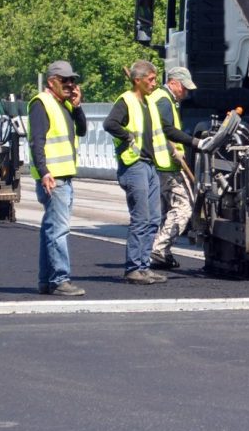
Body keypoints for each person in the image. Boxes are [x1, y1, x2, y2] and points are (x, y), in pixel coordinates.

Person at [103, 61, 173, 285]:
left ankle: (144, 266)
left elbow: (164, 129)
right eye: (151, 80)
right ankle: (134, 268)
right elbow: (110, 123)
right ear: (138, 80)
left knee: (153, 219)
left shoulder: (149, 103)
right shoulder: (126, 101)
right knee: (141, 218)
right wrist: (127, 136)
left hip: (150, 165)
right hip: (134, 165)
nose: (154, 83)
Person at [28, 61, 87, 297]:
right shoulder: (41, 104)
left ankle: (46, 281)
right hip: (54, 178)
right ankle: (60, 279)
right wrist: (44, 172)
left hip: (63, 176)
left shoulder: (65, 105)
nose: (71, 85)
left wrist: (78, 106)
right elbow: (37, 141)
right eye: (65, 81)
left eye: (73, 81)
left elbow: (82, 130)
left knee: (50, 230)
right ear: (52, 81)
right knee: (59, 231)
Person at [148, 67, 203, 271]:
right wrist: (192, 143)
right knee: (183, 208)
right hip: (166, 164)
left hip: (162, 164)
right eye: (184, 88)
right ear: (174, 83)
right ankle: (160, 249)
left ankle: (161, 252)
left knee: (167, 211)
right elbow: (165, 129)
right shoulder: (163, 100)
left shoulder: (161, 98)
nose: (186, 93)